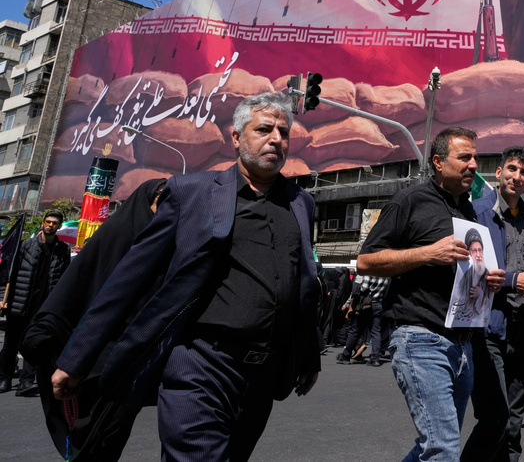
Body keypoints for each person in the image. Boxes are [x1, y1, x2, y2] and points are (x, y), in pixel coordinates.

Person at [51, 91, 322, 462]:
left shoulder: (300, 202)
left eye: (284, 132)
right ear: (237, 137)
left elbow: (304, 284)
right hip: (200, 365)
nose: (276, 138)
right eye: (264, 129)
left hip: (262, 374)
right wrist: (76, 358)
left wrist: (308, 356)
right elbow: (127, 280)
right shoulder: (190, 192)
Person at [357, 127, 503, 462]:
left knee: (435, 447)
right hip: (421, 339)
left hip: (462, 345)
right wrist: (426, 253)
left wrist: (487, 278)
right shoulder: (410, 201)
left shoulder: (468, 212)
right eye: (464, 157)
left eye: (475, 158)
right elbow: (365, 261)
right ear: (438, 162)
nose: (473, 165)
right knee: (443, 449)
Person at [21, 179, 165, 460]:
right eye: (162, 201)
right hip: (91, 362)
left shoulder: (163, 243)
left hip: (130, 362)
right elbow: (77, 289)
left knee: (110, 437)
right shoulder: (116, 235)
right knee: (89, 442)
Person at [463, 146, 524, 462]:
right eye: (512, 169)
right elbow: (472, 270)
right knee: (495, 417)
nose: (517, 177)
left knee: (514, 420)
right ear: (498, 172)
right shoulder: (477, 212)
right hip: (488, 328)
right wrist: (516, 281)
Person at [0, 211, 70, 397]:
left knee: (34, 344)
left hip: (43, 306)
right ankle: (4, 378)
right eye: (48, 222)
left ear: (59, 226)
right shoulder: (25, 246)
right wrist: (3, 298)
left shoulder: (63, 250)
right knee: (11, 343)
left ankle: (26, 382)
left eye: (54, 223)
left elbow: (64, 279)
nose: (50, 225)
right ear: (42, 223)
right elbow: (7, 274)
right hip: (19, 302)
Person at [336, 274, 388, 366]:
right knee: (375, 331)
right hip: (378, 304)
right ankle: (375, 358)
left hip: (366, 305)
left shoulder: (369, 272)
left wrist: (357, 284)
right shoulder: (385, 274)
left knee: (355, 330)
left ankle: (346, 355)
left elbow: (363, 288)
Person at [450, 229, 492, 324]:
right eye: (474, 251)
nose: (478, 255)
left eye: (480, 250)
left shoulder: (487, 274)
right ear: (469, 253)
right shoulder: (464, 276)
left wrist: (480, 295)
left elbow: (486, 307)